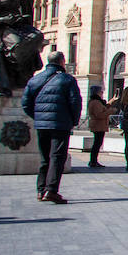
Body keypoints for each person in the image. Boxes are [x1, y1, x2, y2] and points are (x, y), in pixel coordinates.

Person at [21, 52, 81, 204]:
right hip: (60, 124)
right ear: (62, 62)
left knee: (45, 157)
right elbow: (75, 103)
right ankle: (52, 190)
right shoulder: (67, 79)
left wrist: (39, 117)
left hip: (42, 125)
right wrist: (73, 121)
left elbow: (26, 103)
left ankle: (41, 190)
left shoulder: (35, 79)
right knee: (57, 157)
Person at [86, 86, 111, 168]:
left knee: (97, 144)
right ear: (97, 92)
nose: (102, 94)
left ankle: (93, 161)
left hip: (98, 125)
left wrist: (112, 101)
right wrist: (110, 112)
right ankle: (93, 161)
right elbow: (99, 114)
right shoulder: (96, 102)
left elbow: (102, 109)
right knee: (97, 144)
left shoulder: (96, 101)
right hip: (98, 125)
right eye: (101, 92)